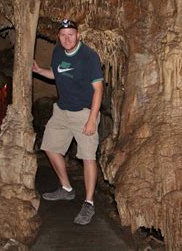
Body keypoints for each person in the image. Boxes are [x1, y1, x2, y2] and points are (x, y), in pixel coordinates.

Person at [32, 18, 104, 225]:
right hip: (62, 110)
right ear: (59, 37)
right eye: (63, 35)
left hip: (84, 112)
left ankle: (88, 203)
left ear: (78, 35)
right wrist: (39, 72)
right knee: (50, 147)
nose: (67, 38)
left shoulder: (88, 57)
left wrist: (92, 120)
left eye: (71, 34)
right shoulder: (57, 52)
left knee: (88, 157)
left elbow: (98, 89)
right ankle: (66, 188)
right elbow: (57, 73)